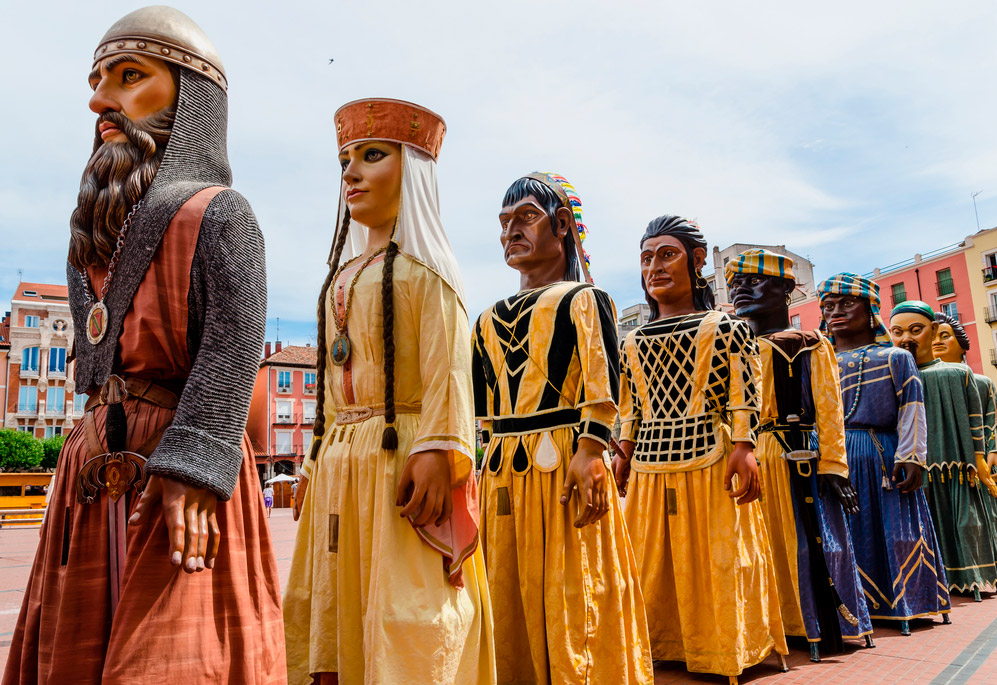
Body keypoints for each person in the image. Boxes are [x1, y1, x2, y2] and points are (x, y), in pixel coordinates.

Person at [3, 7, 285, 683]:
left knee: (175, 661)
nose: (101, 99)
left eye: (130, 76)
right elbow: (94, 367)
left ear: (190, 97)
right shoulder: (89, 237)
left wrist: (195, 465)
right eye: (100, 79)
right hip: (95, 469)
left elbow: (232, 340)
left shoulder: (221, 213)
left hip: (182, 466)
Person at [283, 98, 495, 684]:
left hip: (399, 462)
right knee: (330, 604)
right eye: (346, 159)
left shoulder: (430, 275)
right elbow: (328, 386)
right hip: (341, 464)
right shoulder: (340, 279)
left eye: (371, 156)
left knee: (409, 612)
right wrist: (312, 462)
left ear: (414, 172)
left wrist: (438, 449)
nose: (350, 172)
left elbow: (449, 371)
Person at [472, 173, 652, 683]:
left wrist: (592, 450)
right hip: (503, 471)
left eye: (526, 217)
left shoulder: (584, 299)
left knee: (575, 586)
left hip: (565, 464)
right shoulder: (483, 319)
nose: (511, 231)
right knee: (506, 587)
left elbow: (604, 382)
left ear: (563, 226)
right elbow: (481, 409)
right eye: (504, 222)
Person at [612, 217, 787, 682]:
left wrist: (744, 443)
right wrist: (623, 451)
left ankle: (724, 647)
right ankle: (657, 641)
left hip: (711, 454)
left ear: (696, 260)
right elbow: (630, 406)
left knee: (721, 558)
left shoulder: (727, 327)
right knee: (647, 560)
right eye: (646, 258)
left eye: (666, 255)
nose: (654, 267)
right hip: (649, 463)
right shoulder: (631, 341)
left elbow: (742, 390)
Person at [727, 251, 872, 661]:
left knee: (814, 545)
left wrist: (834, 464)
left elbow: (830, 407)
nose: (740, 290)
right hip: (750, 458)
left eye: (754, 281)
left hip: (799, 455)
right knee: (759, 547)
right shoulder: (733, 345)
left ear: (786, 289)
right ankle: (774, 625)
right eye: (735, 283)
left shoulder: (811, 343)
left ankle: (817, 624)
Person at [818, 274, 950, 634]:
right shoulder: (819, 360)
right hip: (835, 456)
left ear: (870, 309)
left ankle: (910, 601)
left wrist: (912, 456)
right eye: (828, 306)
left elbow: (912, 408)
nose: (836, 312)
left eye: (848, 304)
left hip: (883, 455)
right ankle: (855, 605)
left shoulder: (895, 357)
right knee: (845, 533)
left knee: (897, 529)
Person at [889, 301, 997, 599]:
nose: (906, 338)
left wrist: (983, 458)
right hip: (916, 470)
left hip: (958, 468)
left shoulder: (960, 375)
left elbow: (980, 421)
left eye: (916, 329)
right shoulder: (892, 377)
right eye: (897, 332)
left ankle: (972, 577)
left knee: (966, 523)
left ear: (933, 330)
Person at [933, 312, 997, 484]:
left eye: (945, 336)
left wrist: (996, 450)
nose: (937, 341)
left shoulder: (983, 383)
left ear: (962, 345)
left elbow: (993, 421)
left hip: (979, 464)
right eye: (933, 336)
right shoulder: (920, 381)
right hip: (937, 466)